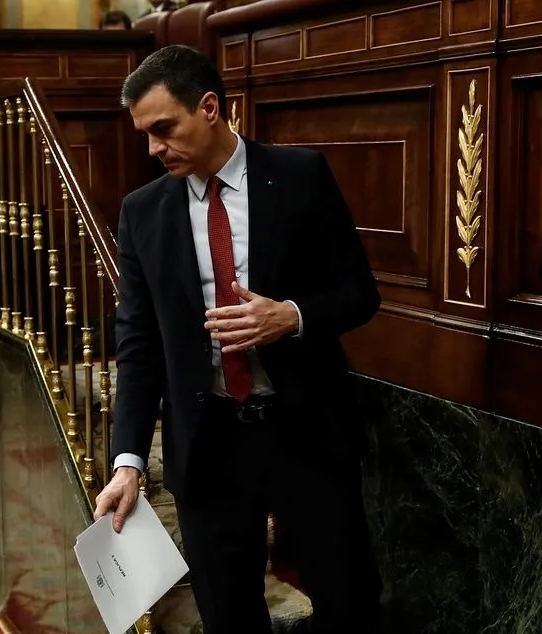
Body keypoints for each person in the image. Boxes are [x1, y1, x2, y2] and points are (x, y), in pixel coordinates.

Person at [93, 45, 383, 634]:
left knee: (347, 601)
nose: (153, 148)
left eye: (164, 129)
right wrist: (127, 462)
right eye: (144, 135)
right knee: (228, 618)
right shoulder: (141, 212)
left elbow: (360, 293)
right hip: (208, 444)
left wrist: (292, 315)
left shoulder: (301, 176)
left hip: (306, 431)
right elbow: (138, 344)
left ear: (209, 108)